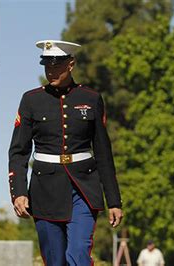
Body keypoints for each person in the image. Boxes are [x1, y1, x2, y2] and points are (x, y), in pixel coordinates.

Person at [8, 40, 123, 265]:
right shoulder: (31, 100)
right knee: (54, 260)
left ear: (70, 65)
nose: (50, 71)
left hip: (83, 188)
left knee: (78, 254)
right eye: (46, 66)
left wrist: (114, 200)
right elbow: (19, 151)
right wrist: (18, 192)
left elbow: (103, 153)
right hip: (45, 191)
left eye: (56, 66)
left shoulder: (91, 98)